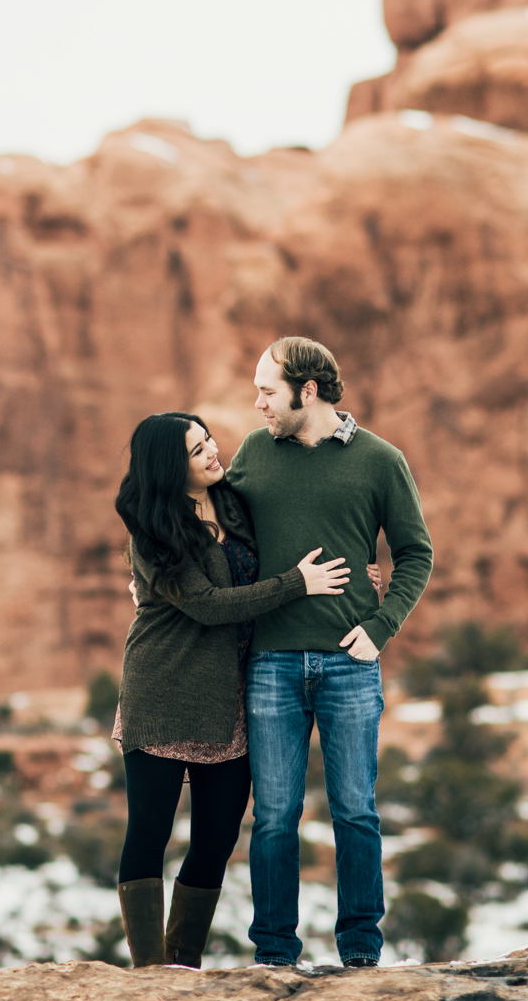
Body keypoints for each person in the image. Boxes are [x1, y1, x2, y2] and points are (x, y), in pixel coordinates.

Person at [111, 411, 354, 969]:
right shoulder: (153, 532)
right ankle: (150, 973)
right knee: (149, 834)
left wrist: (357, 573)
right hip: (164, 693)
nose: (212, 453)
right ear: (171, 468)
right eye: (197, 451)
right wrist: (298, 584)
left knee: (218, 837)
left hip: (230, 700)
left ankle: (183, 962)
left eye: (208, 440)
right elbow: (209, 605)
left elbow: (295, 530)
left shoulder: (232, 500)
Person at [226, 336, 433, 969]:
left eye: (268, 390)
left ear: (306, 391)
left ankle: (361, 955)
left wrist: (380, 627)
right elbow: (210, 528)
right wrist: (151, 571)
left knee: (355, 813)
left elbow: (415, 554)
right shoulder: (254, 454)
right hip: (271, 663)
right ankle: (274, 955)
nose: (258, 402)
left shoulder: (380, 460)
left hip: (350, 662)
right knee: (274, 818)